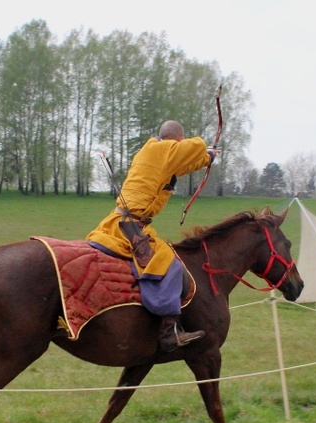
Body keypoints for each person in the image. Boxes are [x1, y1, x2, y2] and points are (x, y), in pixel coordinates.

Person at [86, 120, 218, 352]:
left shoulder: (153, 152)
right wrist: (205, 150)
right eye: (180, 143)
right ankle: (168, 334)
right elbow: (195, 147)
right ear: (177, 140)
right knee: (169, 265)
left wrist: (207, 159)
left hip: (121, 221)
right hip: (129, 227)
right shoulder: (163, 150)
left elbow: (184, 163)